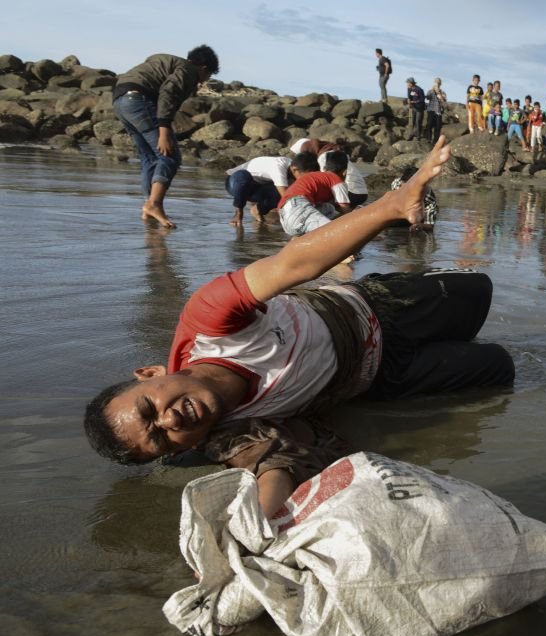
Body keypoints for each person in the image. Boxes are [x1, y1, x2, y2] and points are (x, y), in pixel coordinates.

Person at [83, 138, 516, 517]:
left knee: (479, 287)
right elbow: (274, 467)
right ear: (180, 450)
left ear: (151, 373)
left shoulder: (208, 322)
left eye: (149, 410)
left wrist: (391, 206)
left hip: (376, 308)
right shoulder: (226, 432)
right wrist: (259, 528)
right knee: (499, 367)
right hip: (383, 375)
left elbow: (295, 262)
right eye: (162, 439)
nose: (170, 418)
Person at [112, 45, 219, 229]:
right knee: (170, 155)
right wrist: (164, 130)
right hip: (137, 100)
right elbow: (167, 93)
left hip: (120, 100)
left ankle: (149, 206)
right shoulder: (187, 70)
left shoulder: (166, 60)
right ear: (203, 68)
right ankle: (154, 204)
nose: (204, 81)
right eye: (208, 76)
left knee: (149, 158)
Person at [277, 152, 351, 236]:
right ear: (344, 172)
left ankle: (298, 239)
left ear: (325, 168)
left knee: (329, 208)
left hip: (285, 217)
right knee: (335, 233)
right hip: (299, 208)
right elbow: (346, 210)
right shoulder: (336, 180)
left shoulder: (317, 177)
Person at [290, 138, 368, 207]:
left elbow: (327, 179)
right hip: (361, 192)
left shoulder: (324, 157)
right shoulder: (332, 152)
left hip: (351, 193)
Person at [224, 156, 291, 228]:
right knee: (243, 175)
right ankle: (238, 213)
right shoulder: (279, 167)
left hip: (256, 187)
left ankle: (258, 210)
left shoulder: (291, 166)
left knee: (289, 192)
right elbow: (286, 198)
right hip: (234, 184)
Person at [424, 77, 446, 144]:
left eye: (438, 82)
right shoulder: (430, 91)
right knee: (429, 125)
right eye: (436, 82)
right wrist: (433, 91)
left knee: (438, 127)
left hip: (438, 111)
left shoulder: (442, 92)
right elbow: (427, 98)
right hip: (431, 109)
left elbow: (443, 101)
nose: (437, 84)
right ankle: (429, 138)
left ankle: (435, 140)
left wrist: (438, 93)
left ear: (440, 84)